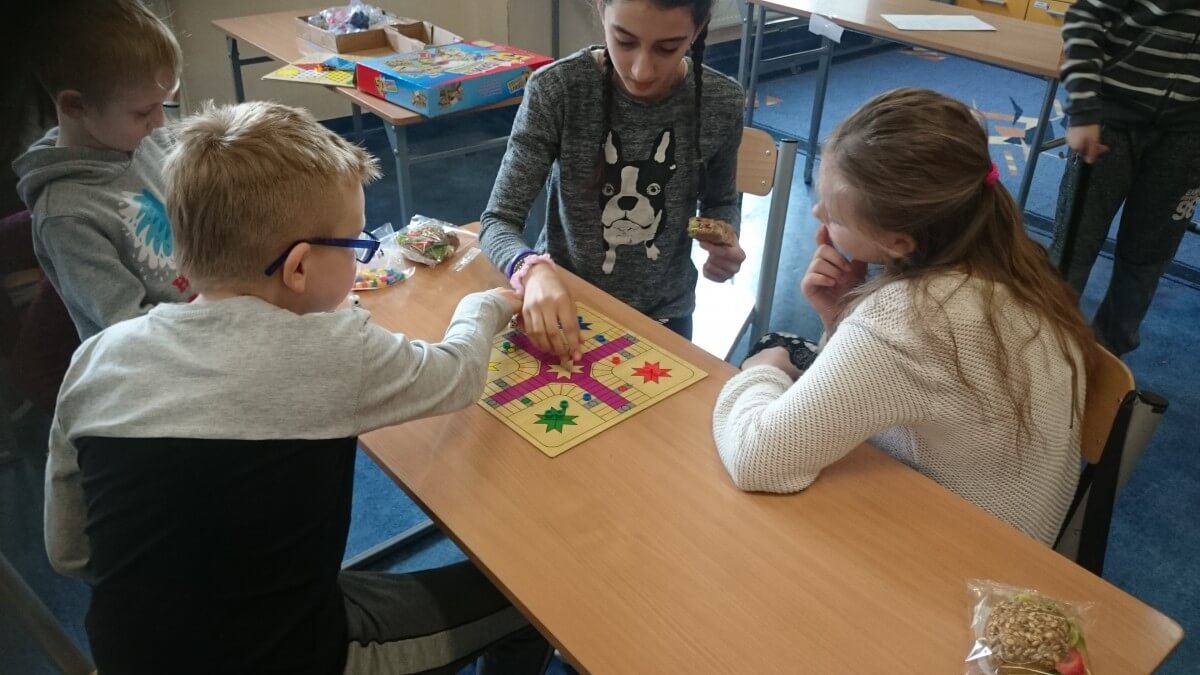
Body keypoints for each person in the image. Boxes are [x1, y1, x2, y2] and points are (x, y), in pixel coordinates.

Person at [46, 100, 551, 675]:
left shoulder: (97, 359)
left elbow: (70, 552)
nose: (362, 259)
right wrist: (485, 305)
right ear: (300, 269)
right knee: (533, 599)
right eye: (358, 245)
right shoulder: (332, 349)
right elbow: (457, 376)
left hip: (129, 656)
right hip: (301, 656)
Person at [712, 89, 1097, 546]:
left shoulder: (908, 319)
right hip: (1013, 544)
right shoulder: (1012, 262)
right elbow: (896, 383)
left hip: (949, 564)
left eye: (834, 216)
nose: (816, 213)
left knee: (771, 356)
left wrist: (763, 370)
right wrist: (843, 316)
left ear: (898, 244)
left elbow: (756, 460)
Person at [480, 0, 746, 358]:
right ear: (601, 11)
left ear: (697, 32)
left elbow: (719, 202)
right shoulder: (558, 89)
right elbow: (498, 220)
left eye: (667, 48)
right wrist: (530, 269)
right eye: (624, 41)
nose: (641, 70)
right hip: (566, 304)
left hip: (664, 316)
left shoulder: (721, 101)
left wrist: (721, 237)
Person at [13, 0, 190, 340]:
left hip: (213, 311)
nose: (160, 121)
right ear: (75, 105)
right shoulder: (66, 216)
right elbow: (129, 330)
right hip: (160, 351)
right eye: (144, 112)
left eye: (164, 103)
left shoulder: (141, 136)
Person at [1049, 0, 1200, 355]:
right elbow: (1084, 16)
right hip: (1110, 124)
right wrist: (1084, 110)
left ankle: (1110, 350)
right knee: (1074, 244)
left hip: (1188, 137)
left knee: (1149, 255)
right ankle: (1047, 339)